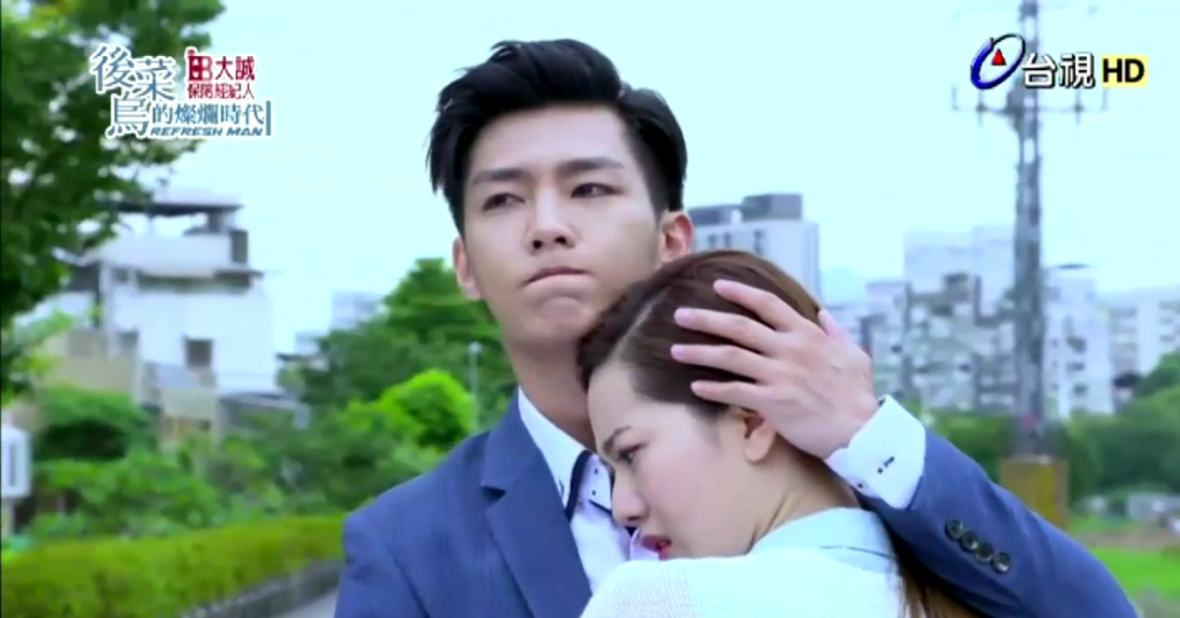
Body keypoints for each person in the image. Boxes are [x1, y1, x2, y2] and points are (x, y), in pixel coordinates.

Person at [334, 38, 1135, 618]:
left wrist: (865, 433)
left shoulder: (847, 465)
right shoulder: (408, 546)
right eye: (503, 200)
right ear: (465, 265)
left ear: (673, 238)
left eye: (589, 189)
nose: (547, 226)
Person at [576, 250, 988, 618]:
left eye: (630, 454)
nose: (621, 508)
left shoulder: (657, 601)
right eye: (610, 473)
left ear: (753, 422)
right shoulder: (970, 598)